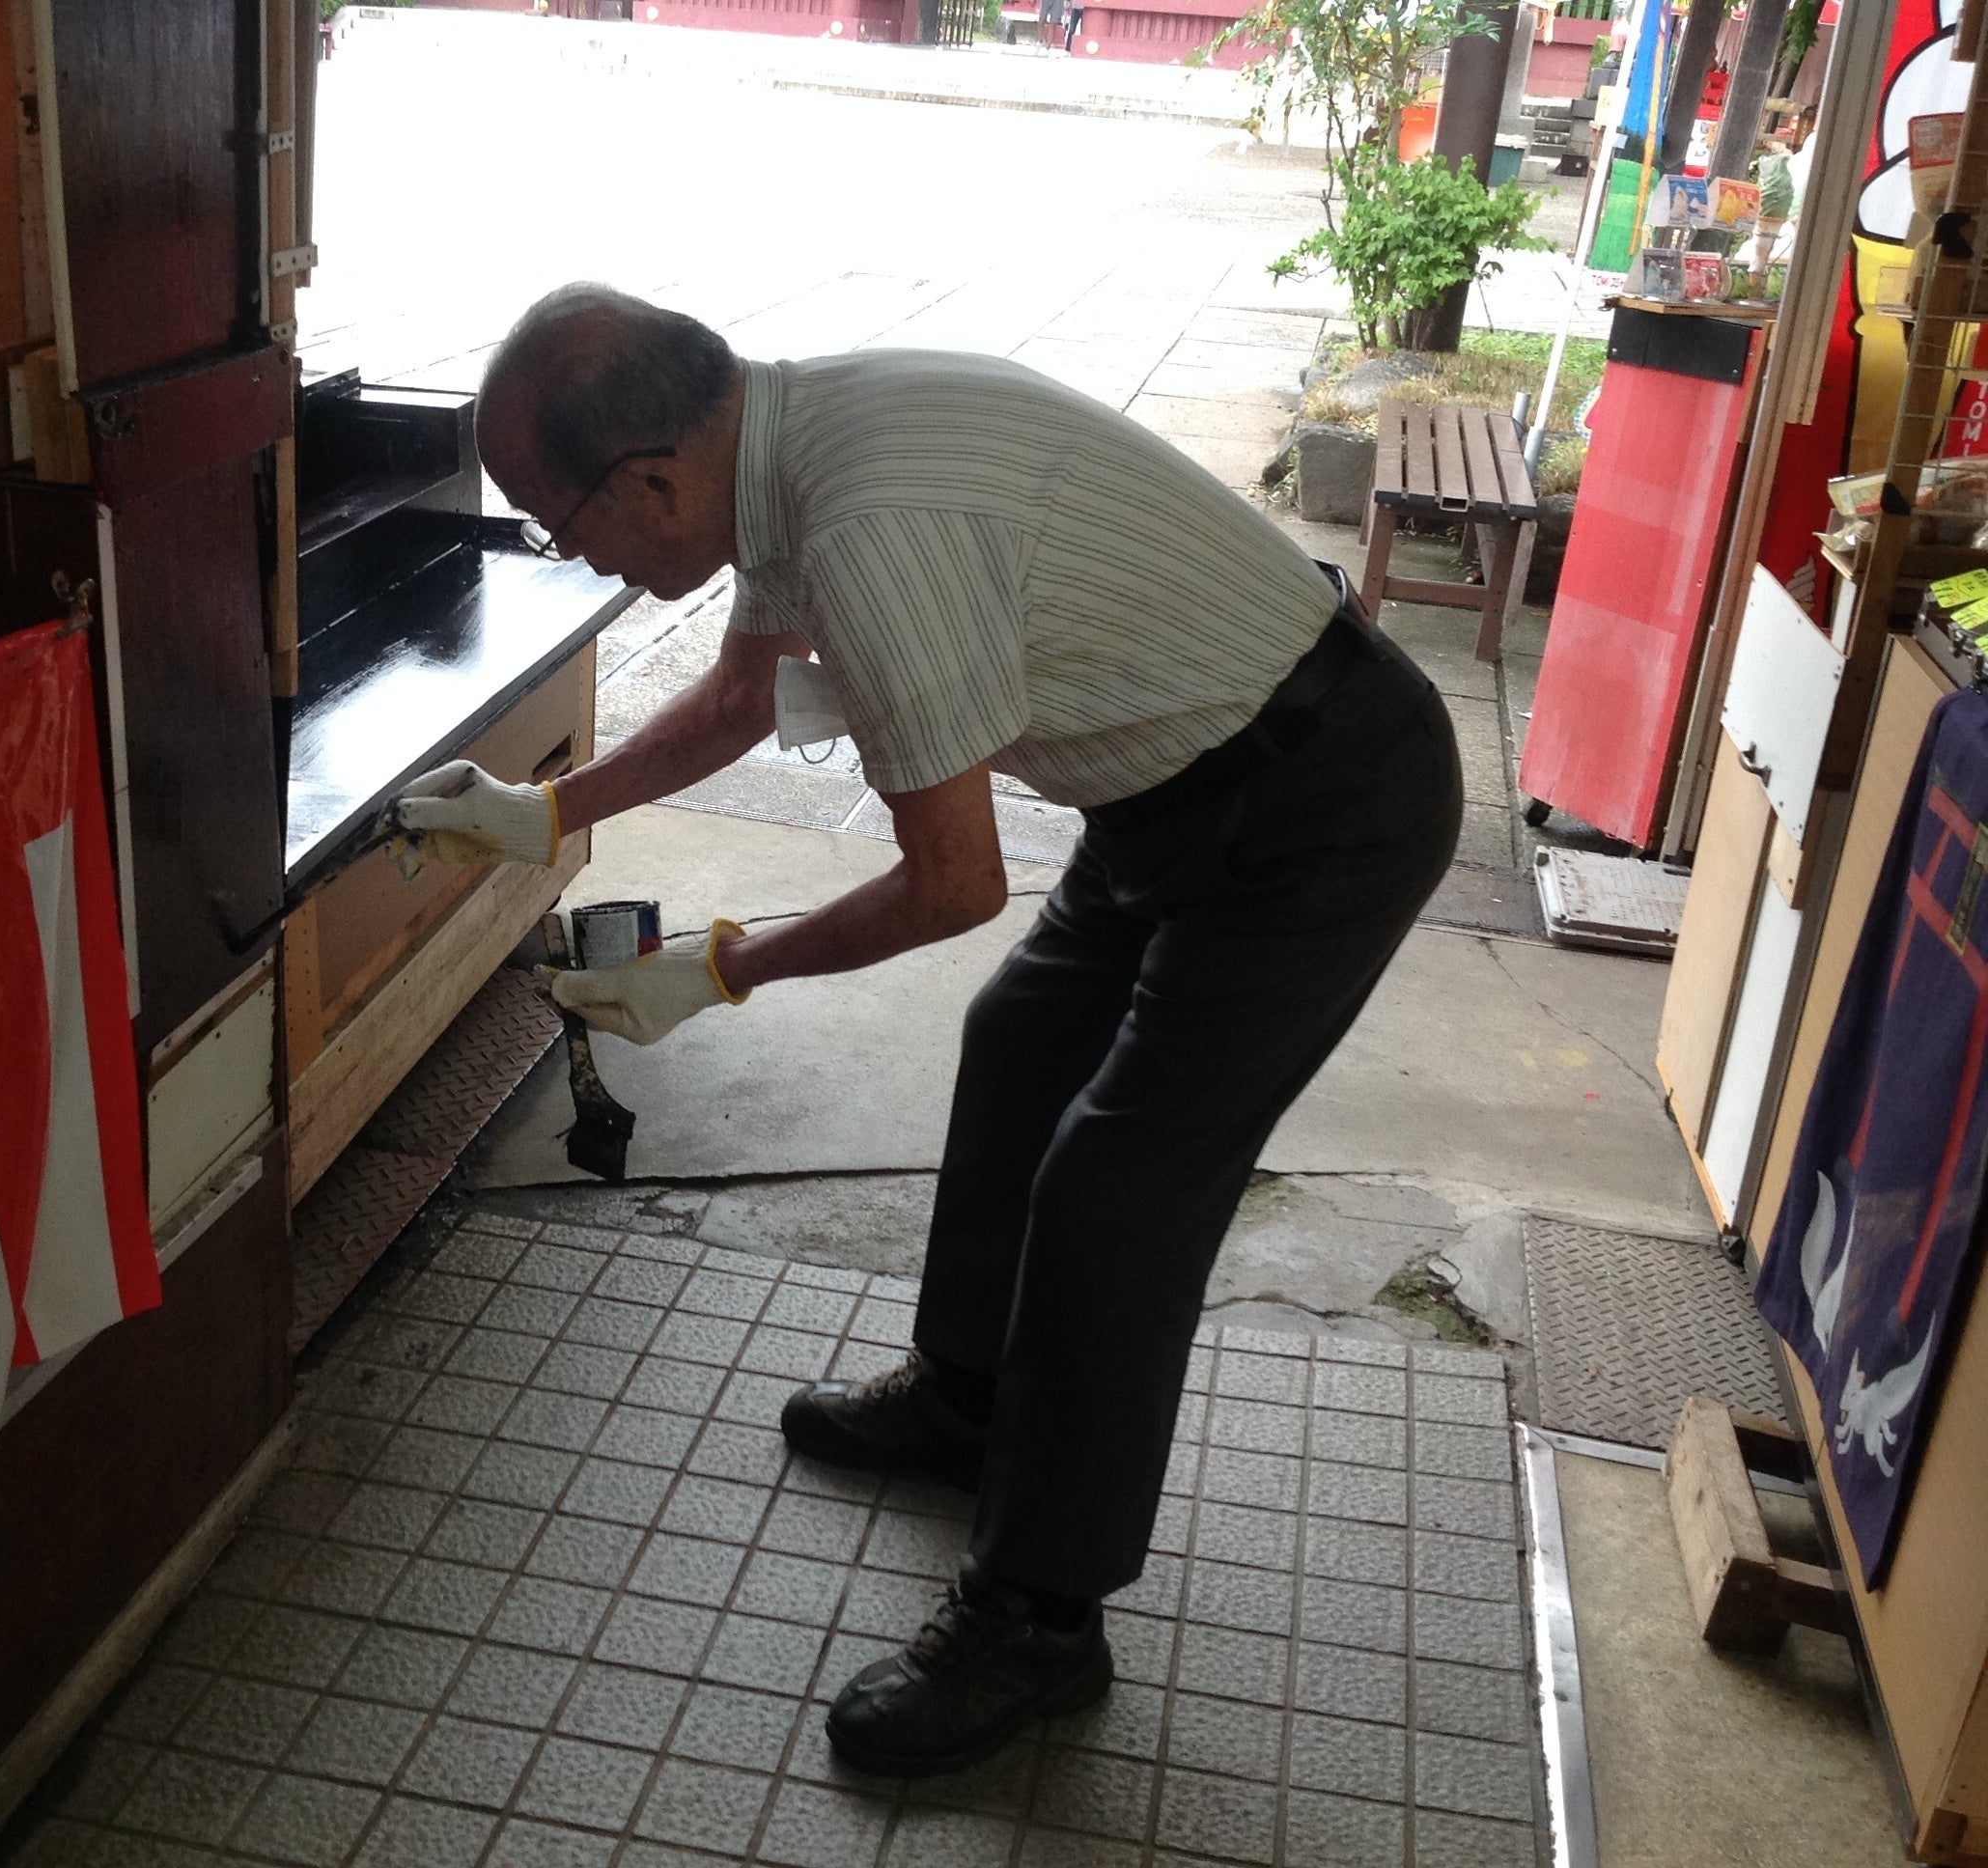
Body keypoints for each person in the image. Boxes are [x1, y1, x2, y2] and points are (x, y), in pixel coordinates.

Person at [394, 284, 1462, 1777]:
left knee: (1118, 1189)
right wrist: (543, 814)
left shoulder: (867, 528)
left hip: (1323, 802)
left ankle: (1042, 1617)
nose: (586, 561)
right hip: (1171, 781)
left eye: (565, 529)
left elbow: (953, 883)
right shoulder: (781, 443)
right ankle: (970, 1401)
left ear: (649, 480)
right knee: (1023, 1041)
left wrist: (716, 971)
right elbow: (744, 696)